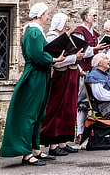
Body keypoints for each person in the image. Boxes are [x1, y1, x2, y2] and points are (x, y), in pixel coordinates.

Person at [0, 3, 66, 165]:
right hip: (35, 75)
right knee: (30, 113)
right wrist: (55, 59)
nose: (48, 17)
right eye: (47, 14)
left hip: (40, 74)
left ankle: (35, 149)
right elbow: (37, 55)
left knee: (39, 112)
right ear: (40, 15)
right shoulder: (33, 31)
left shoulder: (36, 31)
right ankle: (27, 154)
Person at [40, 13, 84, 156]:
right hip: (61, 76)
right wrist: (74, 57)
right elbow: (57, 59)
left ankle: (63, 142)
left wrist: (79, 66)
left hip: (70, 74)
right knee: (57, 108)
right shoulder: (52, 37)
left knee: (67, 109)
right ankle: (53, 145)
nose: (67, 25)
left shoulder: (64, 37)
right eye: (65, 22)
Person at [71, 8, 108, 144]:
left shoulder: (94, 34)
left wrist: (103, 49)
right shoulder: (79, 33)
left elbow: (95, 53)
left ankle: (89, 131)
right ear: (86, 17)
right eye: (93, 15)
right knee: (81, 103)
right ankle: (79, 132)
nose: (95, 17)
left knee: (90, 102)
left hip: (93, 70)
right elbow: (78, 52)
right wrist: (94, 49)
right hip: (83, 70)